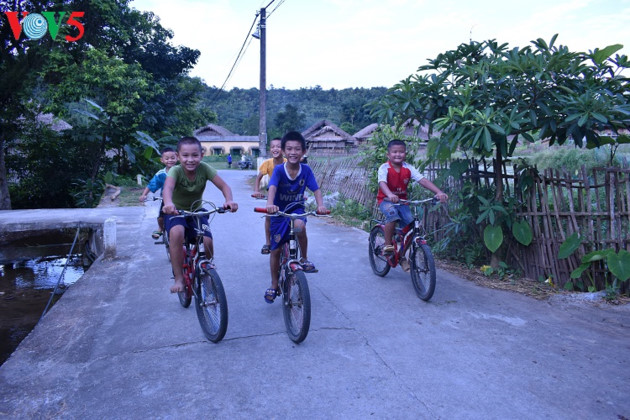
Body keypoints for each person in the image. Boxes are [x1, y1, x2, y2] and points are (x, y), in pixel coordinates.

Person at [162, 136, 238, 293]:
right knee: (177, 233)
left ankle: (206, 269)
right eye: (185, 155)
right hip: (176, 211)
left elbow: (224, 186)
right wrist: (168, 203)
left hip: (196, 211)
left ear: (202, 155)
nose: (190, 160)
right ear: (178, 156)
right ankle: (179, 278)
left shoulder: (204, 169)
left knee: (207, 241)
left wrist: (229, 200)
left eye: (195, 155)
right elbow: (168, 188)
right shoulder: (176, 170)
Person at [262, 131, 327, 304]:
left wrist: (320, 205)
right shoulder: (278, 170)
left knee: (300, 226)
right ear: (284, 151)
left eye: (297, 149)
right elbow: (272, 187)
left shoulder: (306, 170)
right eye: (289, 149)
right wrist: (270, 204)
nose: (293, 152)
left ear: (304, 152)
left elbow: (316, 189)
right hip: (278, 211)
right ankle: (274, 284)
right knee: (275, 250)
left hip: (296, 209)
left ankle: (304, 258)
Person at [377, 139, 448, 260]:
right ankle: (388, 246)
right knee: (392, 215)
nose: (398, 154)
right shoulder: (384, 168)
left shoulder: (408, 168)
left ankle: (402, 256)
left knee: (411, 226)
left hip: (403, 202)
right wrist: (389, 194)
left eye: (401, 152)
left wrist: (439, 192)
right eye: (394, 152)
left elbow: (422, 180)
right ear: (388, 154)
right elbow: (382, 183)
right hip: (386, 200)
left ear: (405, 154)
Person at [252, 138, 286, 254]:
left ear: (283, 149)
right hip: (273, 192)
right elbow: (258, 178)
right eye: (273, 147)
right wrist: (256, 191)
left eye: (278, 146)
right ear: (270, 149)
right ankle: (268, 242)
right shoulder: (267, 163)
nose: (275, 149)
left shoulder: (288, 162)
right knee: (268, 216)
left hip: (287, 192)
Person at [138, 147, 178, 239]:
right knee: (161, 217)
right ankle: (160, 228)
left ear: (177, 158)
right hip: (166, 200)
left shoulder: (182, 171)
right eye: (167, 158)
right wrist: (144, 195)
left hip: (180, 199)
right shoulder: (161, 174)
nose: (170, 160)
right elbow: (152, 184)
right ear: (162, 160)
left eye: (172, 158)